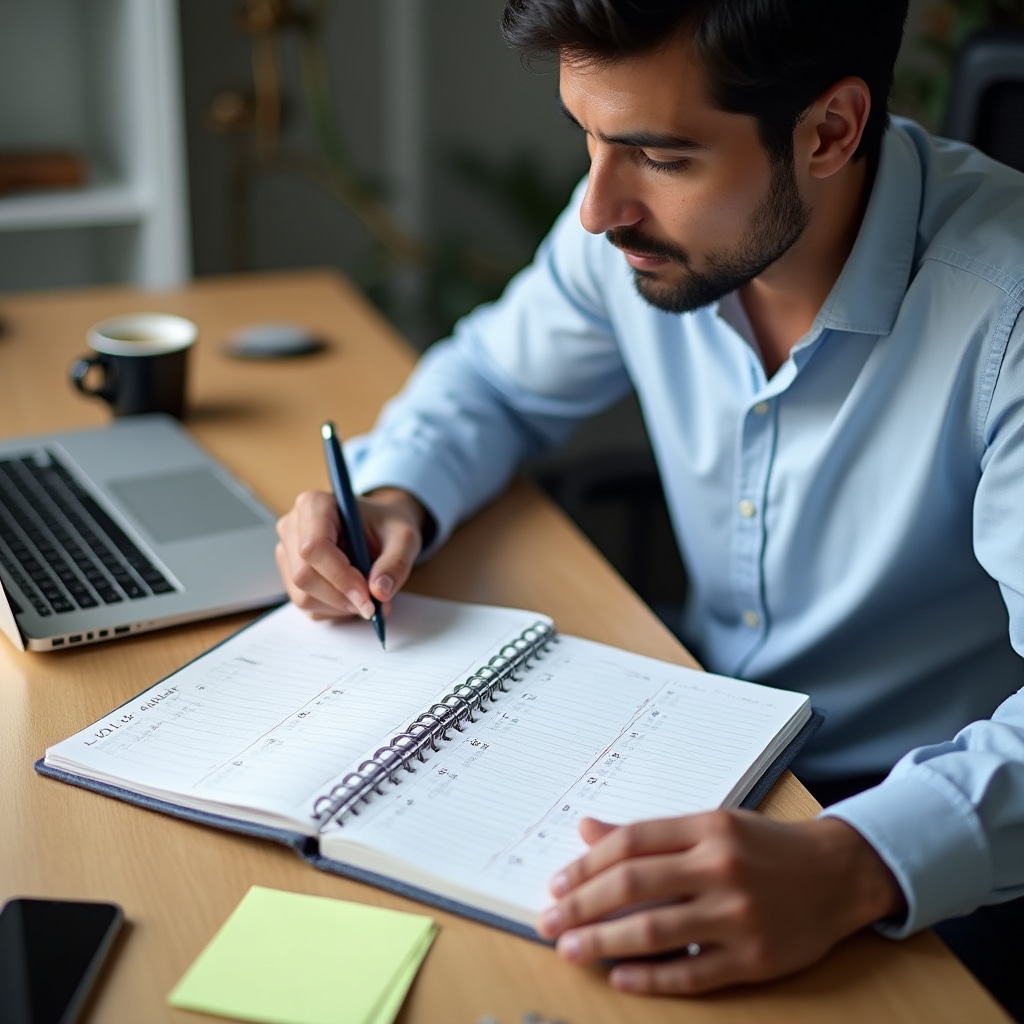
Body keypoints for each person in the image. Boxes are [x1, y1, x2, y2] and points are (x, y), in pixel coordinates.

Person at [275, 1, 1024, 1015]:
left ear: (828, 132)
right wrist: (395, 495)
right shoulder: (637, 231)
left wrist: (854, 862)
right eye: (587, 138)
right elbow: (491, 382)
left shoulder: (1007, 311)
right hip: (691, 743)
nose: (597, 209)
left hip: (925, 827)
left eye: (661, 157)